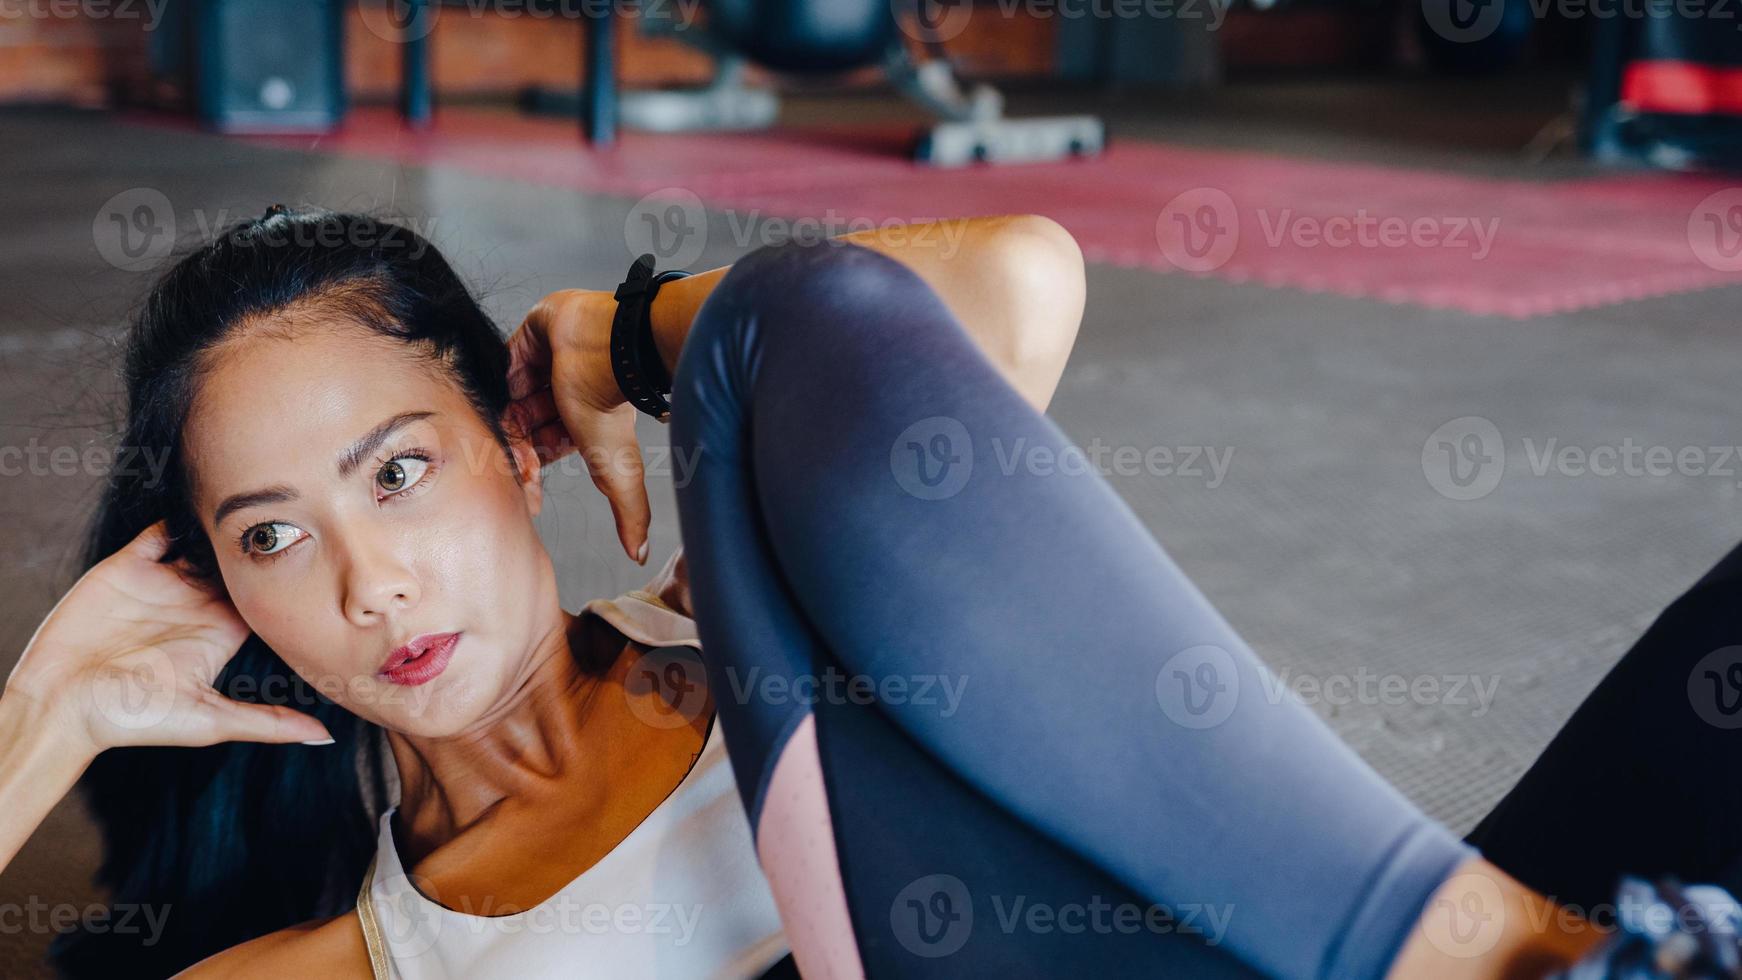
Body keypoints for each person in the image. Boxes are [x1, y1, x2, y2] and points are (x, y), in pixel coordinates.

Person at [0, 208, 1733, 979]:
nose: (374, 583)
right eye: (274, 535)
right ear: (220, 587)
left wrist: (624, 329)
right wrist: (48, 708)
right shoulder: (350, 965)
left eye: (400, 469)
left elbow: (1016, 277)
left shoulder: (739, 599)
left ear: (513, 441)